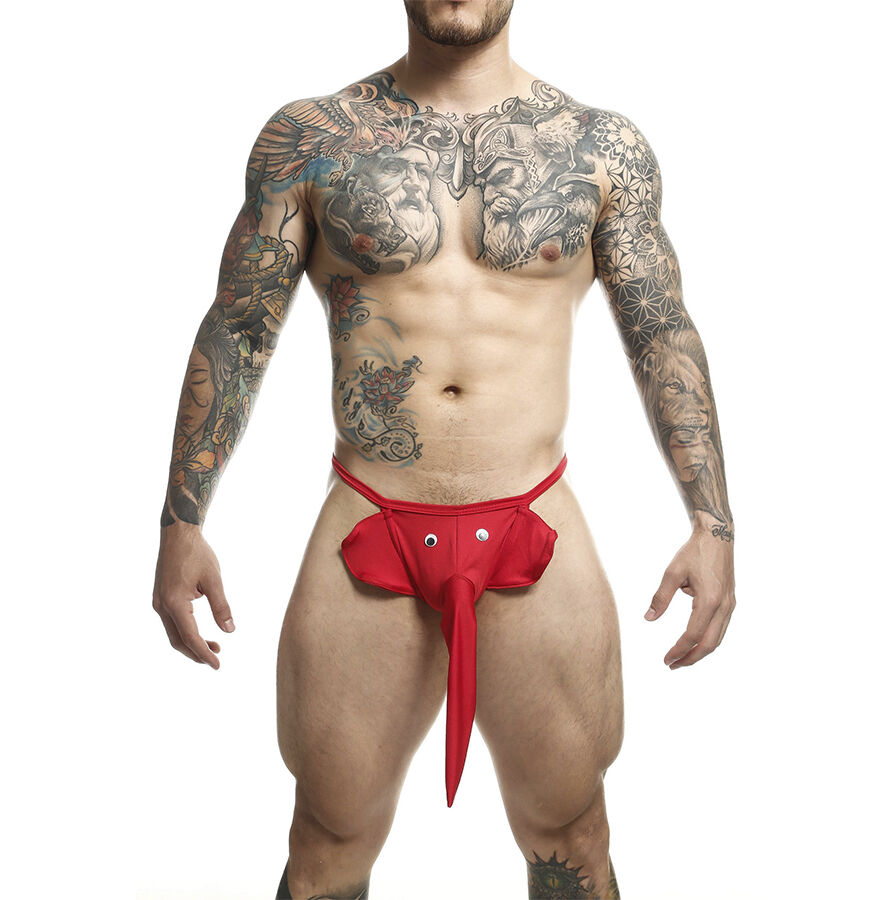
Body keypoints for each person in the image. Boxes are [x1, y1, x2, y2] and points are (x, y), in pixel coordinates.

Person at [151, 1, 737, 897]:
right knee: (327, 840)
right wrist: (182, 522)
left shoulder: (601, 147)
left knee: (571, 834)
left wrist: (711, 521)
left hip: (533, 518)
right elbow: (239, 328)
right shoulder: (312, 140)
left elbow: (659, 330)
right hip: (369, 520)